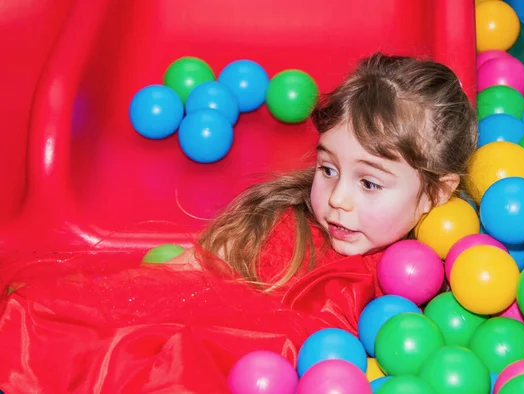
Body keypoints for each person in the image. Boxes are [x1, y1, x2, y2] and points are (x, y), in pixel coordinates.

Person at [0, 53, 477, 393]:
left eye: (369, 184)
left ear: (436, 193)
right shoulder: (283, 230)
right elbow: (182, 275)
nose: (338, 200)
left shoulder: (443, 276)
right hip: (205, 354)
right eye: (328, 169)